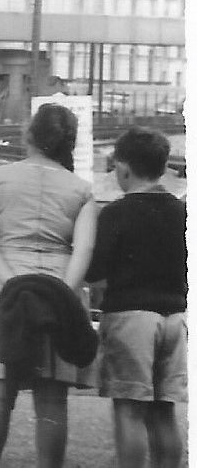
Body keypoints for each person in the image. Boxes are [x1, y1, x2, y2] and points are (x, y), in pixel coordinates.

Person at [0, 103, 98, 468]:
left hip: (6, 292)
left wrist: (12, 282)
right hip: (58, 289)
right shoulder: (82, 189)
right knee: (51, 397)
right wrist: (62, 293)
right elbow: (84, 248)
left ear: (30, 135)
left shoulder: (0, 179)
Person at [86, 127, 187, 468]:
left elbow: (95, 271)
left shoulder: (117, 212)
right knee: (164, 411)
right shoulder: (183, 212)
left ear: (124, 168)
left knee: (129, 411)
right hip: (175, 319)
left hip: (131, 319)